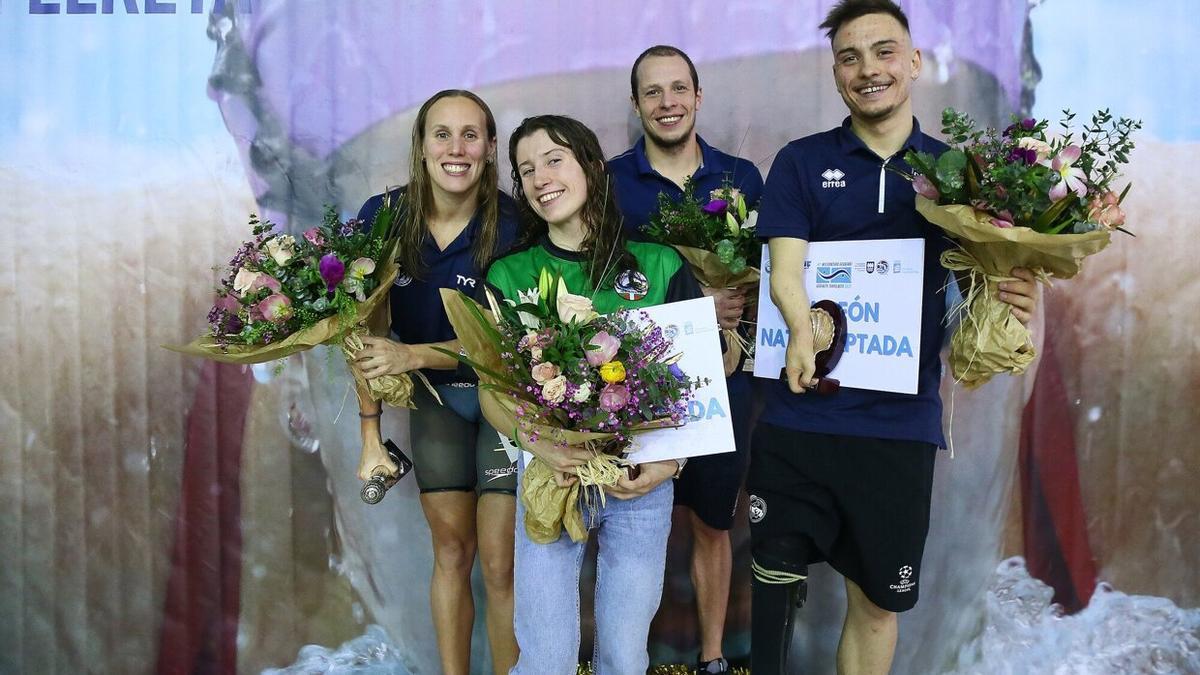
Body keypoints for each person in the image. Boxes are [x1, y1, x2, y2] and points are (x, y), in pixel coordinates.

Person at [747, 2, 1039, 674]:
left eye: (883, 52)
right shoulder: (801, 162)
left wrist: (1018, 293)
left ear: (912, 63)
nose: (867, 69)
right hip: (799, 418)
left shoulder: (959, 177)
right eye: (849, 57)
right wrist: (799, 328)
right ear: (836, 73)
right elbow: (784, 268)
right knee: (772, 592)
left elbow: (989, 283)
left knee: (877, 604)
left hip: (899, 428)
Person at [483, 114, 729, 674]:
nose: (540, 177)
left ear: (592, 165)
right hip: (552, 476)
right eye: (525, 170)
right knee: (545, 657)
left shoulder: (660, 263)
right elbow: (492, 392)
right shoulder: (508, 274)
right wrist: (540, 446)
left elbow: (696, 382)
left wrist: (670, 460)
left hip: (640, 479)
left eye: (553, 159)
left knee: (623, 652)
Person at [351, 89, 521, 675]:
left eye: (470, 135)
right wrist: (370, 432)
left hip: (505, 401)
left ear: (491, 148)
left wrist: (415, 354)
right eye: (441, 134)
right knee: (452, 550)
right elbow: (361, 331)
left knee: (502, 565)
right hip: (436, 404)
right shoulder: (383, 216)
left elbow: (509, 345)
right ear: (421, 148)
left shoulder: (516, 225)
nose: (456, 148)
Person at [607, 45, 763, 675]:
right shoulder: (610, 181)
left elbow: (772, 270)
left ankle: (714, 658)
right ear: (637, 103)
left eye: (678, 90)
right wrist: (691, 300)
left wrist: (736, 303)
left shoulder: (741, 177)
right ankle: (626, 658)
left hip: (725, 379)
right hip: (636, 381)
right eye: (653, 92)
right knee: (631, 528)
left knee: (712, 521)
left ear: (698, 97)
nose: (667, 103)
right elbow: (601, 278)